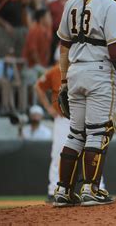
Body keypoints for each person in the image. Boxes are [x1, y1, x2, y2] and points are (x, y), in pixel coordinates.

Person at [53, 0, 116, 207]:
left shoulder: (73, 0)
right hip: (99, 70)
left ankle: (63, 191)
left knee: (76, 133)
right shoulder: (110, 4)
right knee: (99, 131)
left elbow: (64, 46)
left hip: (74, 70)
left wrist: (64, 81)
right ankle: (90, 188)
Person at [35, 52, 105, 201]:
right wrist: (48, 107)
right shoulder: (55, 71)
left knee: (92, 151)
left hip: (84, 118)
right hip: (63, 119)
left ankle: (97, 186)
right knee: (58, 153)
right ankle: (54, 189)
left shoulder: (79, 69)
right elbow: (39, 86)